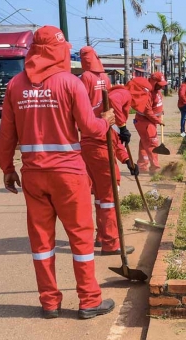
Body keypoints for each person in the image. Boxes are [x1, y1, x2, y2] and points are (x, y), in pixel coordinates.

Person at [0, 26, 116, 319]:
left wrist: (7, 169)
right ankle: (89, 300)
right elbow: (89, 128)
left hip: (34, 175)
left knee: (41, 242)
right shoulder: (70, 83)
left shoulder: (15, 86)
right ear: (60, 51)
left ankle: (49, 302)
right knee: (81, 239)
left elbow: (6, 135)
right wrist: (107, 122)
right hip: (68, 173)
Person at [78, 46, 135, 256]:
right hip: (99, 137)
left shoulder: (83, 78)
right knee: (109, 195)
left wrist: (128, 159)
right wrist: (122, 127)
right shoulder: (106, 79)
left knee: (101, 196)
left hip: (88, 138)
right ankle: (111, 244)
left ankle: (102, 236)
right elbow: (113, 124)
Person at [132, 77, 164, 174]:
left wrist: (161, 114)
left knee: (144, 143)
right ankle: (155, 168)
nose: (161, 86)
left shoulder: (158, 92)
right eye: (159, 84)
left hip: (151, 121)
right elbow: (148, 112)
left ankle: (142, 166)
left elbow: (159, 105)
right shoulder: (147, 94)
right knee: (152, 143)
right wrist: (158, 120)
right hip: (144, 121)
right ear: (153, 82)